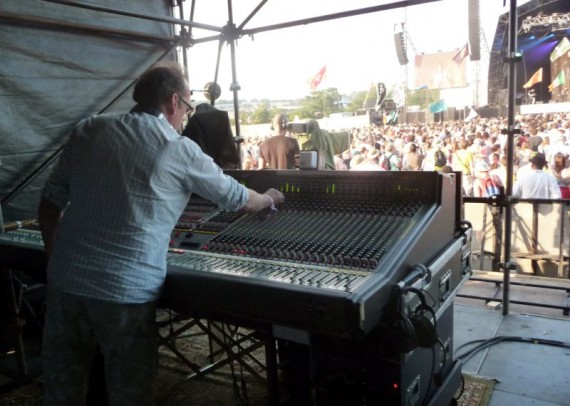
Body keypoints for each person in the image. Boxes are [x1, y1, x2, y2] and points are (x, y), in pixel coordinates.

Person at [37, 63, 285, 406]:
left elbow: (49, 203)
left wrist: (55, 261)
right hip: (125, 291)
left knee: (61, 391)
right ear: (173, 101)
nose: (185, 115)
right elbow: (238, 199)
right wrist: (270, 198)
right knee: (129, 393)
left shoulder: (89, 128)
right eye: (187, 106)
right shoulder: (176, 148)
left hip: (65, 282)